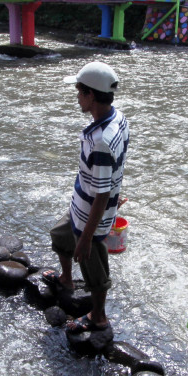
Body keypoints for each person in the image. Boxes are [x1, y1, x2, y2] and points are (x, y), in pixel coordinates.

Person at [46, 62, 130, 334]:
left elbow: (102, 195)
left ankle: (98, 316)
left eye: (79, 91)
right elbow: (113, 169)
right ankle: (66, 279)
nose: (77, 97)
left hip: (90, 217)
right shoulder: (118, 118)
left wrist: (85, 238)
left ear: (91, 95)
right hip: (82, 205)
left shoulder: (101, 141)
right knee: (59, 234)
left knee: (93, 266)